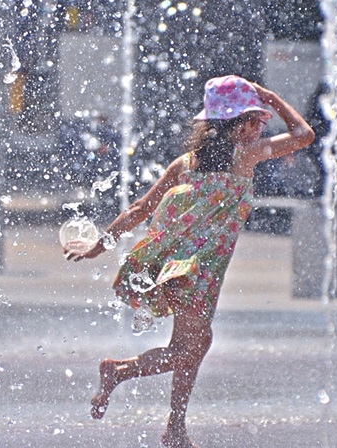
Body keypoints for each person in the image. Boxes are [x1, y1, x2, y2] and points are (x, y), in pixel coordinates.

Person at [64, 75, 315, 448]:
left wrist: (99, 246)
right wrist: (273, 97)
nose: (260, 128)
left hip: (183, 268)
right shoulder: (245, 156)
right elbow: (304, 135)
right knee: (190, 347)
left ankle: (175, 428)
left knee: (196, 343)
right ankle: (119, 374)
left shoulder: (186, 163)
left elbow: (139, 209)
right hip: (196, 272)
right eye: (257, 121)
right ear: (242, 123)